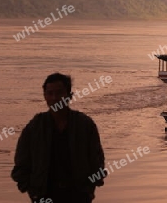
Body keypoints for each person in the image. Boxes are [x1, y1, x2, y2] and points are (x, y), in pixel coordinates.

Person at [11, 73, 106, 203]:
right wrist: (31, 191)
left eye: (59, 93)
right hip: (43, 195)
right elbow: (21, 162)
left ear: (69, 96)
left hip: (78, 195)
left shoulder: (84, 124)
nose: (55, 98)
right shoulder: (35, 126)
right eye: (50, 93)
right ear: (45, 96)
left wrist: (88, 190)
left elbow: (97, 159)